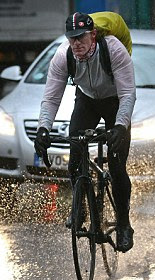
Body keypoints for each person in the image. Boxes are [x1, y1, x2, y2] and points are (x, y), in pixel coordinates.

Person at [34, 12, 136, 252]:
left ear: (93, 34)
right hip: (87, 100)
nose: (76, 44)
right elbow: (50, 99)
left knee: (117, 164)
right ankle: (80, 208)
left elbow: (128, 95)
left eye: (80, 38)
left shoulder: (114, 50)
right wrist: (43, 129)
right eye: (71, 39)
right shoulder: (63, 56)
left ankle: (123, 224)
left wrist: (121, 126)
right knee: (75, 157)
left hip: (114, 102)